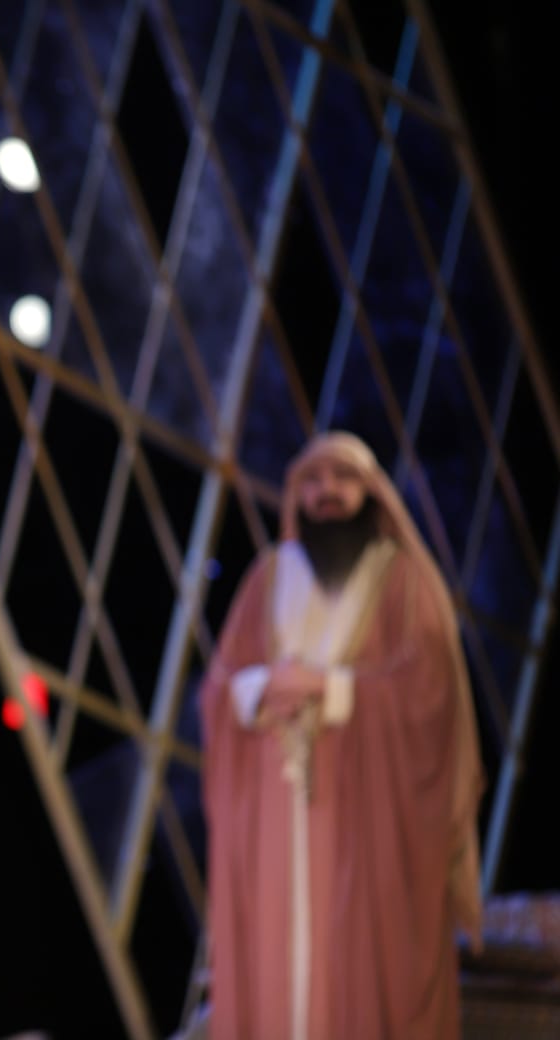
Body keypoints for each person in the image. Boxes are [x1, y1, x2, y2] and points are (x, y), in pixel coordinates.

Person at [200, 431, 484, 1040]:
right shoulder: (268, 577)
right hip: (278, 824)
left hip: (368, 821)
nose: (326, 491)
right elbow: (219, 687)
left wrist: (332, 690)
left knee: (363, 971)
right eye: (312, 480)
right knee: (277, 972)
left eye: (342, 479)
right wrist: (265, 687)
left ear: (371, 491)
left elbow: (429, 692)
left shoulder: (404, 580)